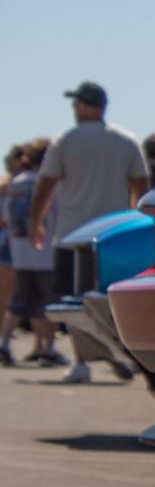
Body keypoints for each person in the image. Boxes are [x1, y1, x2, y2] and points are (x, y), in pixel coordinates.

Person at [30, 82, 149, 382]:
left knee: (74, 301)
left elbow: (44, 187)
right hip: (115, 237)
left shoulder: (64, 141)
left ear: (84, 106)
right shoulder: (127, 141)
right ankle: (122, 352)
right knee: (115, 302)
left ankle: (83, 360)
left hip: (73, 235)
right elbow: (142, 190)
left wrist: (37, 224)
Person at [1, 140, 64, 367]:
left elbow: (9, 218)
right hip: (46, 254)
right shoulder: (50, 184)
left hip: (21, 254)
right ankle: (48, 349)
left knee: (17, 304)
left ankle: (4, 344)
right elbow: (59, 214)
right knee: (52, 306)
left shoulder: (15, 183)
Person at [0, 146, 19, 330]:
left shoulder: (9, 184)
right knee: (6, 295)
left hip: (9, 242)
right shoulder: (9, 184)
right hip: (8, 243)